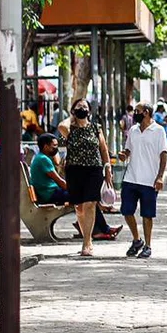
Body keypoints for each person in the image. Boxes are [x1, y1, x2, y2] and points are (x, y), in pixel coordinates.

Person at [30, 134, 118, 240]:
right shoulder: (43, 159)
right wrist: (77, 189)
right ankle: (102, 230)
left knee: (87, 198)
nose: (56, 149)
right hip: (50, 194)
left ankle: (93, 228)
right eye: (54, 146)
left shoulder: (40, 157)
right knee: (88, 199)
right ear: (45, 146)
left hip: (49, 192)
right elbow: (60, 182)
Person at [62, 98, 114, 256]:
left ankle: (87, 242)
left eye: (85, 107)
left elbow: (103, 150)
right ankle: (86, 237)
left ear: (90, 111)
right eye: (79, 107)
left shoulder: (96, 128)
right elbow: (60, 126)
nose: (82, 109)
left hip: (94, 170)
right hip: (74, 170)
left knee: (90, 204)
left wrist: (107, 169)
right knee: (79, 207)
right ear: (73, 111)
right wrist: (72, 116)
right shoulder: (69, 128)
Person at [119, 103, 167, 259]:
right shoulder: (133, 130)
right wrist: (124, 154)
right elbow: (128, 149)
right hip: (131, 178)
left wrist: (160, 176)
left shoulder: (159, 131)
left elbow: (163, 154)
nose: (135, 114)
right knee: (126, 211)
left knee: (147, 215)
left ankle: (148, 245)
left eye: (138, 111)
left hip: (149, 180)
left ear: (146, 113)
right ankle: (136, 240)